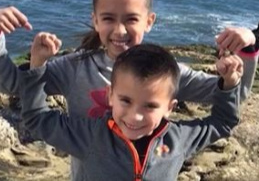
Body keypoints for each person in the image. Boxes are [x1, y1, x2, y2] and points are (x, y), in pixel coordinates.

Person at [0, 0, 259, 180]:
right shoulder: (75, 68)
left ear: (149, 21)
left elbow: (233, 93)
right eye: (109, 18)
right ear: (95, 20)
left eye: (131, 19)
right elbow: (9, 84)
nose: (120, 29)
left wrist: (245, 50)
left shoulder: (164, 73)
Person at [18, 43, 242, 181]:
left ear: (170, 108)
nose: (135, 116)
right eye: (125, 100)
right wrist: (37, 66)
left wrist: (229, 84)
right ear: (110, 96)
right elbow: (37, 119)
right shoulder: (91, 136)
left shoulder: (178, 139)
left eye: (150, 105)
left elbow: (222, 122)